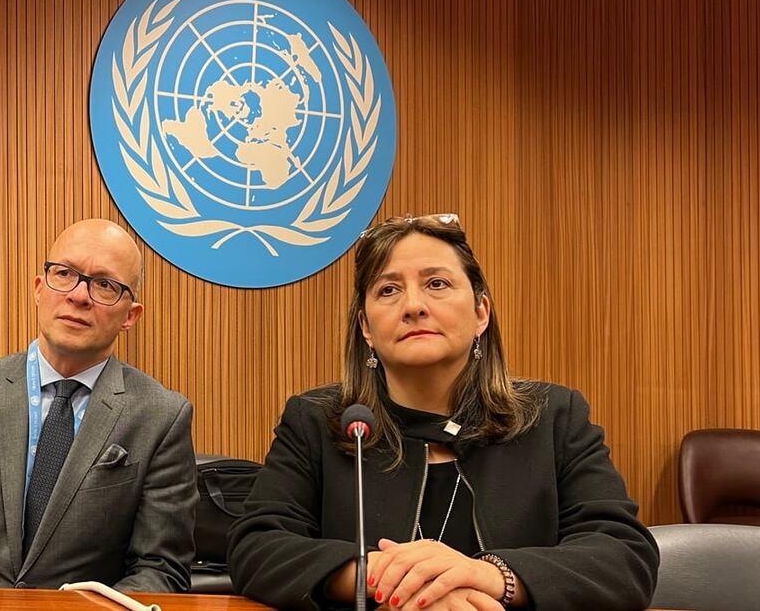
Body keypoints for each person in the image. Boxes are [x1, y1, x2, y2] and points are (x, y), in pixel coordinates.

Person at [227, 214, 659, 610]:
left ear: (481, 313)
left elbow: (624, 557)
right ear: (366, 329)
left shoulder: (554, 417)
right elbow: (257, 548)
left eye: (436, 283)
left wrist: (491, 576)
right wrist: (388, 578)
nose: (413, 306)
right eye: (388, 290)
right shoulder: (318, 420)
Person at [0, 219, 198, 592]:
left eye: (105, 285)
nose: (79, 295)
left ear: (130, 315)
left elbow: (161, 568)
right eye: (65, 274)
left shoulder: (161, 417)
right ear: (39, 288)